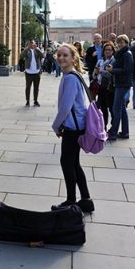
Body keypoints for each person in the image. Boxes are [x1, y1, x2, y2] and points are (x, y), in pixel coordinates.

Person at [51, 43, 94, 213]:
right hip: (78, 126)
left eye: (65, 55)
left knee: (67, 163)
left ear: (73, 58)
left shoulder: (69, 78)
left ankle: (70, 201)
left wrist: (56, 126)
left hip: (73, 128)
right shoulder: (74, 75)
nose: (61, 58)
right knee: (74, 163)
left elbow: (65, 107)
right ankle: (86, 200)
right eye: (59, 55)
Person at [105, 35, 133, 141]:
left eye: (122, 42)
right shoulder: (122, 54)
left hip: (123, 84)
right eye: (119, 42)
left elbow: (127, 70)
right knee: (121, 109)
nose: (120, 44)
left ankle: (113, 132)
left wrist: (113, 70)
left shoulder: (127, 54)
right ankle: (125, 132)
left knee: (116, 108)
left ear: (126, 42)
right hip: (121, 83)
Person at [94, 41, 115, 126]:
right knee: (102, 108)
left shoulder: (114, 61)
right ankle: (103, 126)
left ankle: (113, 126)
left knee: (111, 108)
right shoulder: (100, 60)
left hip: (109, 88)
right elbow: (95, 73)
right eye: (106, 49)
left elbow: (111, 74)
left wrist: (101, 71)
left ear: (113, 51)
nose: (107, 51)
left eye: (110, 50)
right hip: (100, 87)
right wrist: (95, 72)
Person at [21, 40, 44, 106]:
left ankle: (35, 100)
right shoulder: (27, 50)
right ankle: (27, 101)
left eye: (33, 43)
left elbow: (42, 56)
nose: (32, 45)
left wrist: (37, 48)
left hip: (37, 72)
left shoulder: (37, 50)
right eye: (30, 43)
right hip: (28, 72)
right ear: (28, 44)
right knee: (28, 87)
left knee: (36, 87)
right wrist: (27, 48)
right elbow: (21, 56)